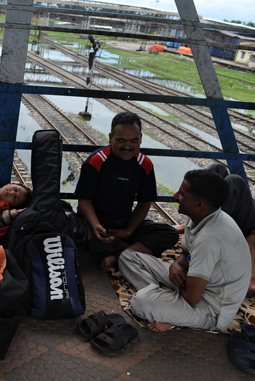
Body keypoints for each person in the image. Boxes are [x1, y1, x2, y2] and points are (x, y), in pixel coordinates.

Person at [119, 169, 251, 332]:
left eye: (182, 194)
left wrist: (172, 288)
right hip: (191, 284)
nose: (175, 196)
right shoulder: (200, 216)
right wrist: (176, 265)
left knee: (140, 303)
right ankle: (162, 298)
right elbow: (185, 253)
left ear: (199, 204)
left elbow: (192, 298)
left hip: (209, 308)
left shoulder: (209, 240)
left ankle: (165, 306)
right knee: (128, 256)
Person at [74, 111, 178, 272]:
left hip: (124, 225)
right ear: (110, 138)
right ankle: (134, 250)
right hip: (94, 223)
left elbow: (144, 203)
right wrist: (96, 226)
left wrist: (128, 231)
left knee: (169, 233)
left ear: (141, 139)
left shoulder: (145, 164)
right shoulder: (96, 161)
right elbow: (84, 201)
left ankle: (118, 254)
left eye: (133, 141)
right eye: (121, 140)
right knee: (80, 236)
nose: (127, 146)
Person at [173, 163, 255, 297]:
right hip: (237, 228)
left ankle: (203, 223)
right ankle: (198, 221)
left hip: (247, 234)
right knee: (216, 169)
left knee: (235, 182)